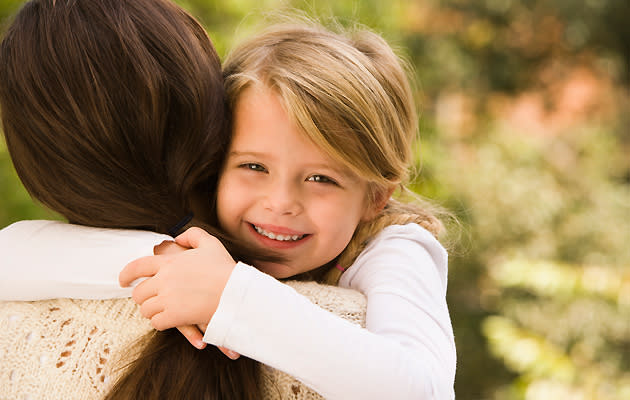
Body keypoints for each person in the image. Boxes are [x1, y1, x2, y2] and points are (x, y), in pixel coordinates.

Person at [1, 15, 456, 399]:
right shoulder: (198, 226)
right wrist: (168, 263)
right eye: (254, 166)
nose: (280, 202)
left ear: (376, 197)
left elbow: (423, 388)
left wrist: (233, 298)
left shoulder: (397, 247)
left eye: (321, 179)